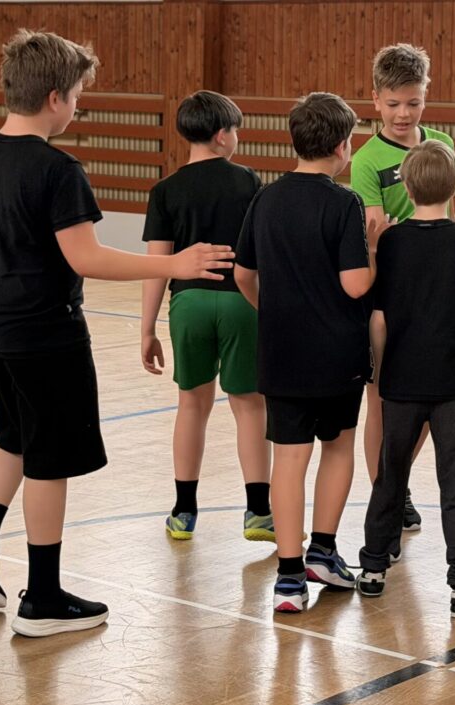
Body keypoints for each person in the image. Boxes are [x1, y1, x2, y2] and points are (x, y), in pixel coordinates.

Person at [0, 30, 234, 637]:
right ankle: (42, 598)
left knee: (13, 432)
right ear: (55, 97)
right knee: (48, 458)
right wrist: (175, 264)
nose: (77, 106)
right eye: (77, 95)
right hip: (45, 335)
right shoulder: (57, 169)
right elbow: (86, 257)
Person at [235, 92, 377, 613]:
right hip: (336, 353)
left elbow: (243, 274)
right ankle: (323, 550)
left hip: (281, 352)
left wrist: (271, 311)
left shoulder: (265, 198)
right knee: (337, 448)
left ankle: (289, 577)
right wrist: (375, 247)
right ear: (342, 147)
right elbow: (356, 284)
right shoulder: (344, 203)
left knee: (288, 460)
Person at [356, 140, 455, 618]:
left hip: (401, 379)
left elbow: (378, 316)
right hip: (454, 380)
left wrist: (380, 374)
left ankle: (373, 568)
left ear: (408, 188)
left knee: (390, 475)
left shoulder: (391, 242)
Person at [140, 91, 272, 543]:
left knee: (192, 405)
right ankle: (258, 512)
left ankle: (183, 511)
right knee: (249, 405)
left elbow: (157, 265)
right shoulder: (248, 181)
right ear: (221, 136)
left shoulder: (165, 190)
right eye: (235, 130)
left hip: (189, 303)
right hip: (240, 300)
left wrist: (147, 329)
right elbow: (260, 253)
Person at [350, 43, 455, 532]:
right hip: (389, 295)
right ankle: (385, 495)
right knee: (382, 400)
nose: (403, 114)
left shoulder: (441, 145)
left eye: (413, 103)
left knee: (431, 402)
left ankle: (398, 482)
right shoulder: (367, 160)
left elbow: (443, 218)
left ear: (425, 97)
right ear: (376, 100)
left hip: (436, 293)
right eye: (393, 104)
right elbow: (378, 232)